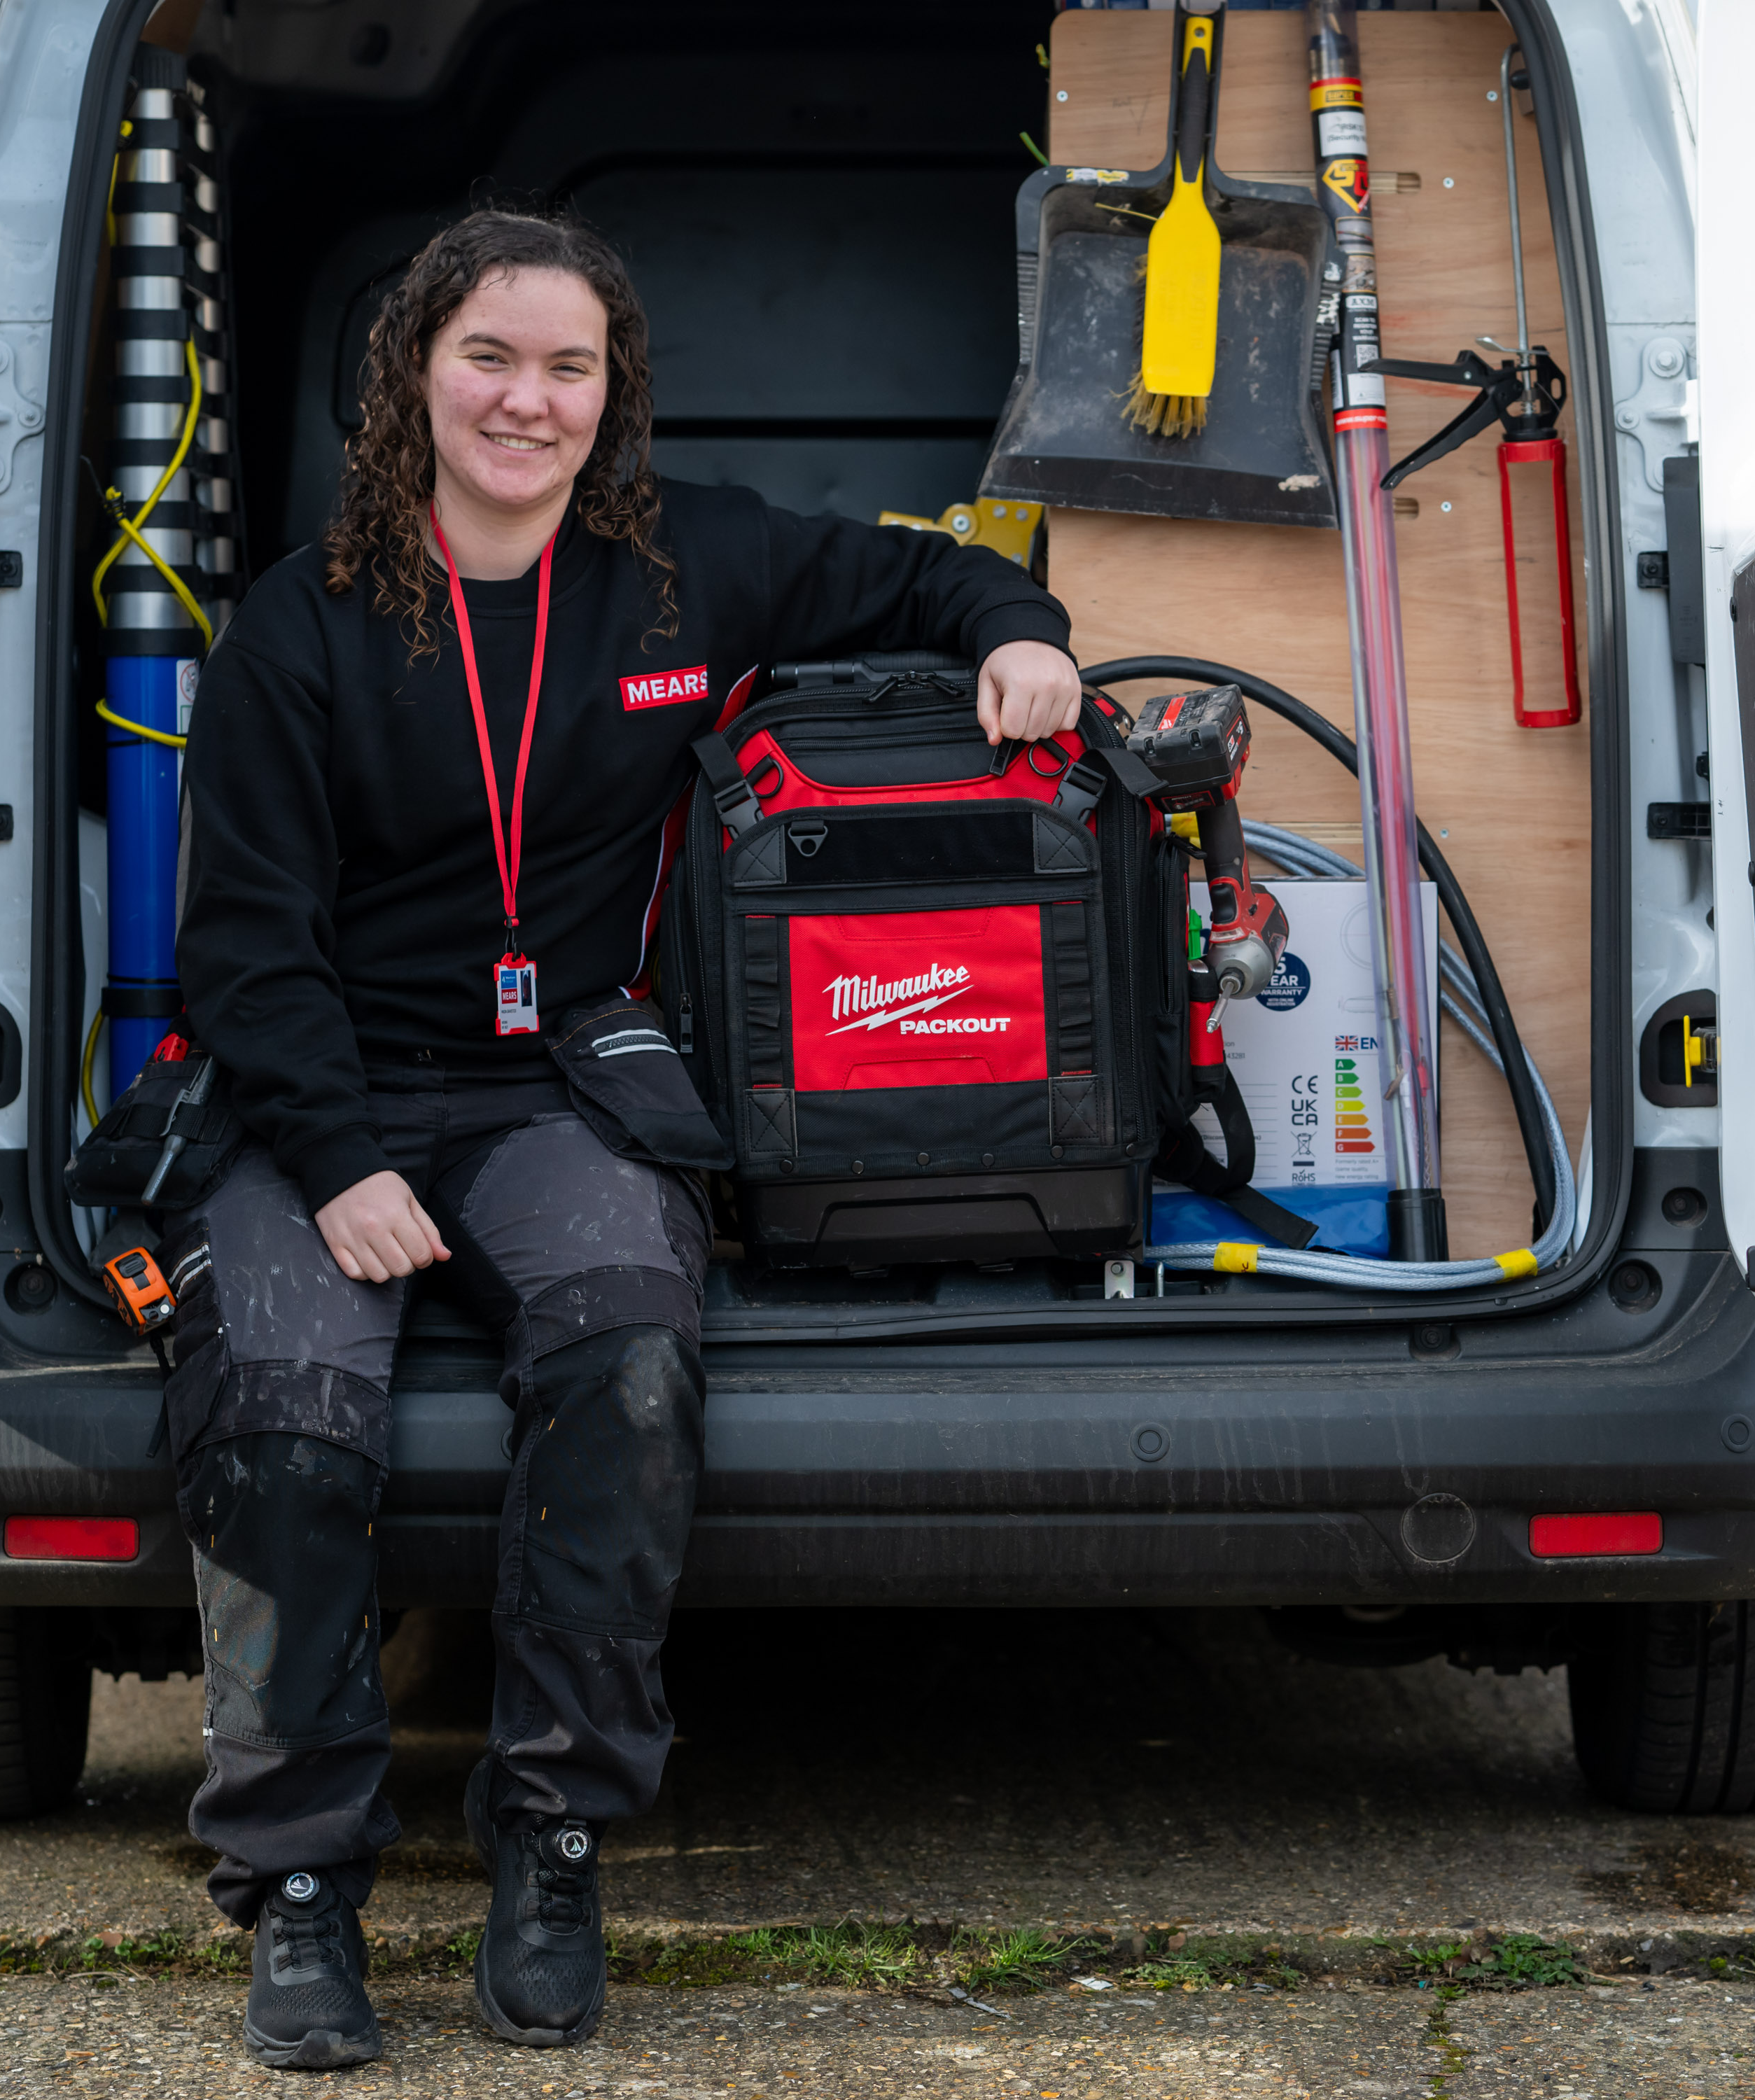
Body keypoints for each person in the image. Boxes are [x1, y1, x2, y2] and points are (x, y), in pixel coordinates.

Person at [163, 207, 1080, 2070]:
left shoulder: (683, 568)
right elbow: (241, 948)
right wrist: (340, 1164)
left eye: (567, 366)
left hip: (561, 1085)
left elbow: (915, 578)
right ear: (413, 374)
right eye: (489, 357)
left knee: (630, 1365)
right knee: (278, 1408)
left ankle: (554, 1841)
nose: (528, 399)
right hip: (323, 1089)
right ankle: (305, 1893)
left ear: (612, 393)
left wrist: (1023, 633)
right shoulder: (297, 624)